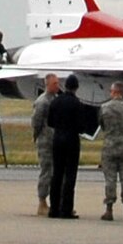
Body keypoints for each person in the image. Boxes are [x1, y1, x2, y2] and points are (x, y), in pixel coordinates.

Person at [45, 75, 89, 219]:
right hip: (71, 140)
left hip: (57, 139)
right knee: (70, 175)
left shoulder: (56, 102)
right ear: (76, 88)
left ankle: (54, 208)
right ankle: (66, 209)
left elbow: (50, 122)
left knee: (56, 173)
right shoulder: (77, 104)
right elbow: (82, 127)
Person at [97, 79, 123, 221]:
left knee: (110, 179)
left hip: (109, 147)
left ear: (114, 92)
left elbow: (102, 126)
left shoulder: (104, 108)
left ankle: (109, 209)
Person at [29, 73, 59, 216]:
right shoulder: (42, 102)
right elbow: (36, 122)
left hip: (55, 141)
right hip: (45, 141)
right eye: (54, 84)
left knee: (55, 172)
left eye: (58, 83)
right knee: (46, 171)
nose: (57, 86)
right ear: (47, 84)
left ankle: (53, 202)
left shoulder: (55, 99)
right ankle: (42, 201)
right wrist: (37, 136)